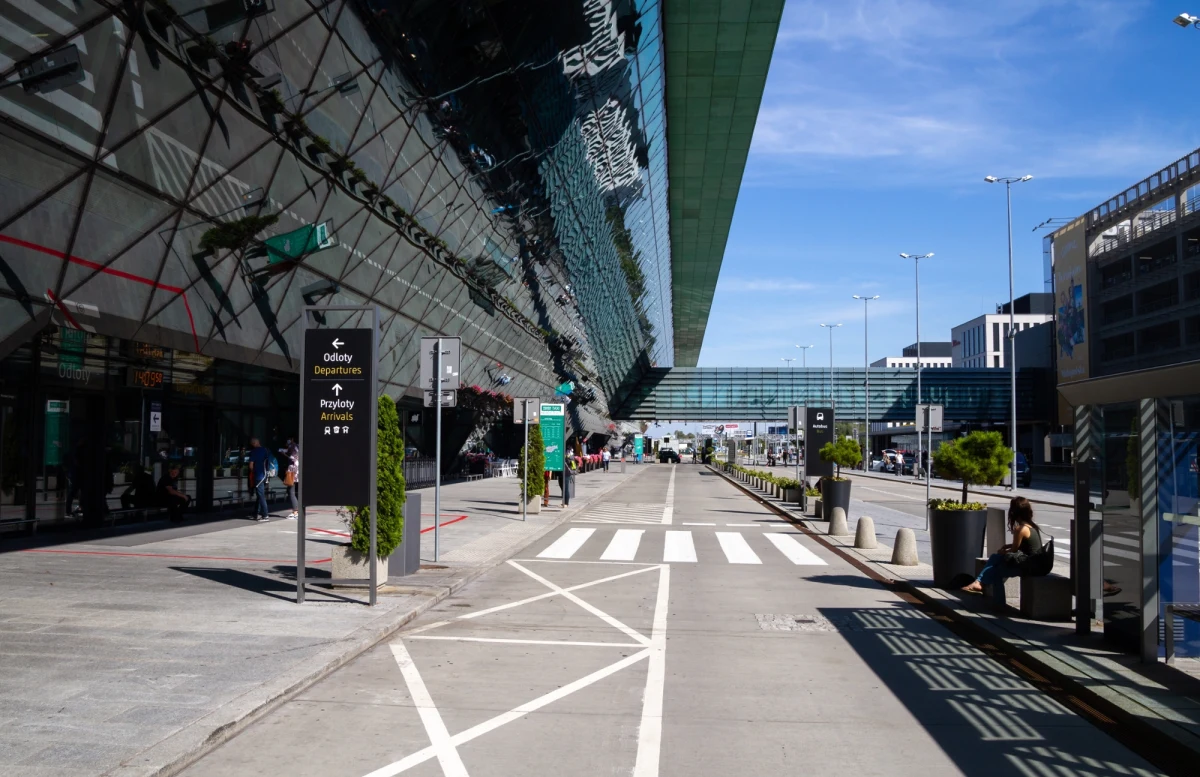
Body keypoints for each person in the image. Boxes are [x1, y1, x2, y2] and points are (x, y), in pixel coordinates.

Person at [962, 496, 1044, 599]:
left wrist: (1002, 552)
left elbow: (1013, 551)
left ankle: (994, 599)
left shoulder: (1021, 529)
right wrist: (1006, 547)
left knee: (996, 571)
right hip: (1035, 564)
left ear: (1014, 512)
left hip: (1030, 567)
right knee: (995, 558)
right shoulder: (1032, 526)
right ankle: (978, 583)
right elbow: (1022, 546)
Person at [247, 437, 271, 522]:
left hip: (258, 476)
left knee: (261, 496)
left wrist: (253, 471)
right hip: (265, 475)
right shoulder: (265, 450)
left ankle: (265, 515)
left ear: (254, 443)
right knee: (259, 494)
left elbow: (251, 465)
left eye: (252, 444)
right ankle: (256, 513)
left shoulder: (254, 452)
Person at [278, 438, 300, 520]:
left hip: (293, 472)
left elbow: (293, 457)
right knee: (292, 491)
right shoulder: (297, 446)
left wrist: (284, 454)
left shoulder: (292, 446)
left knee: (291, 492)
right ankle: (296, 511)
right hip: (297, 472)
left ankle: (295, 512)